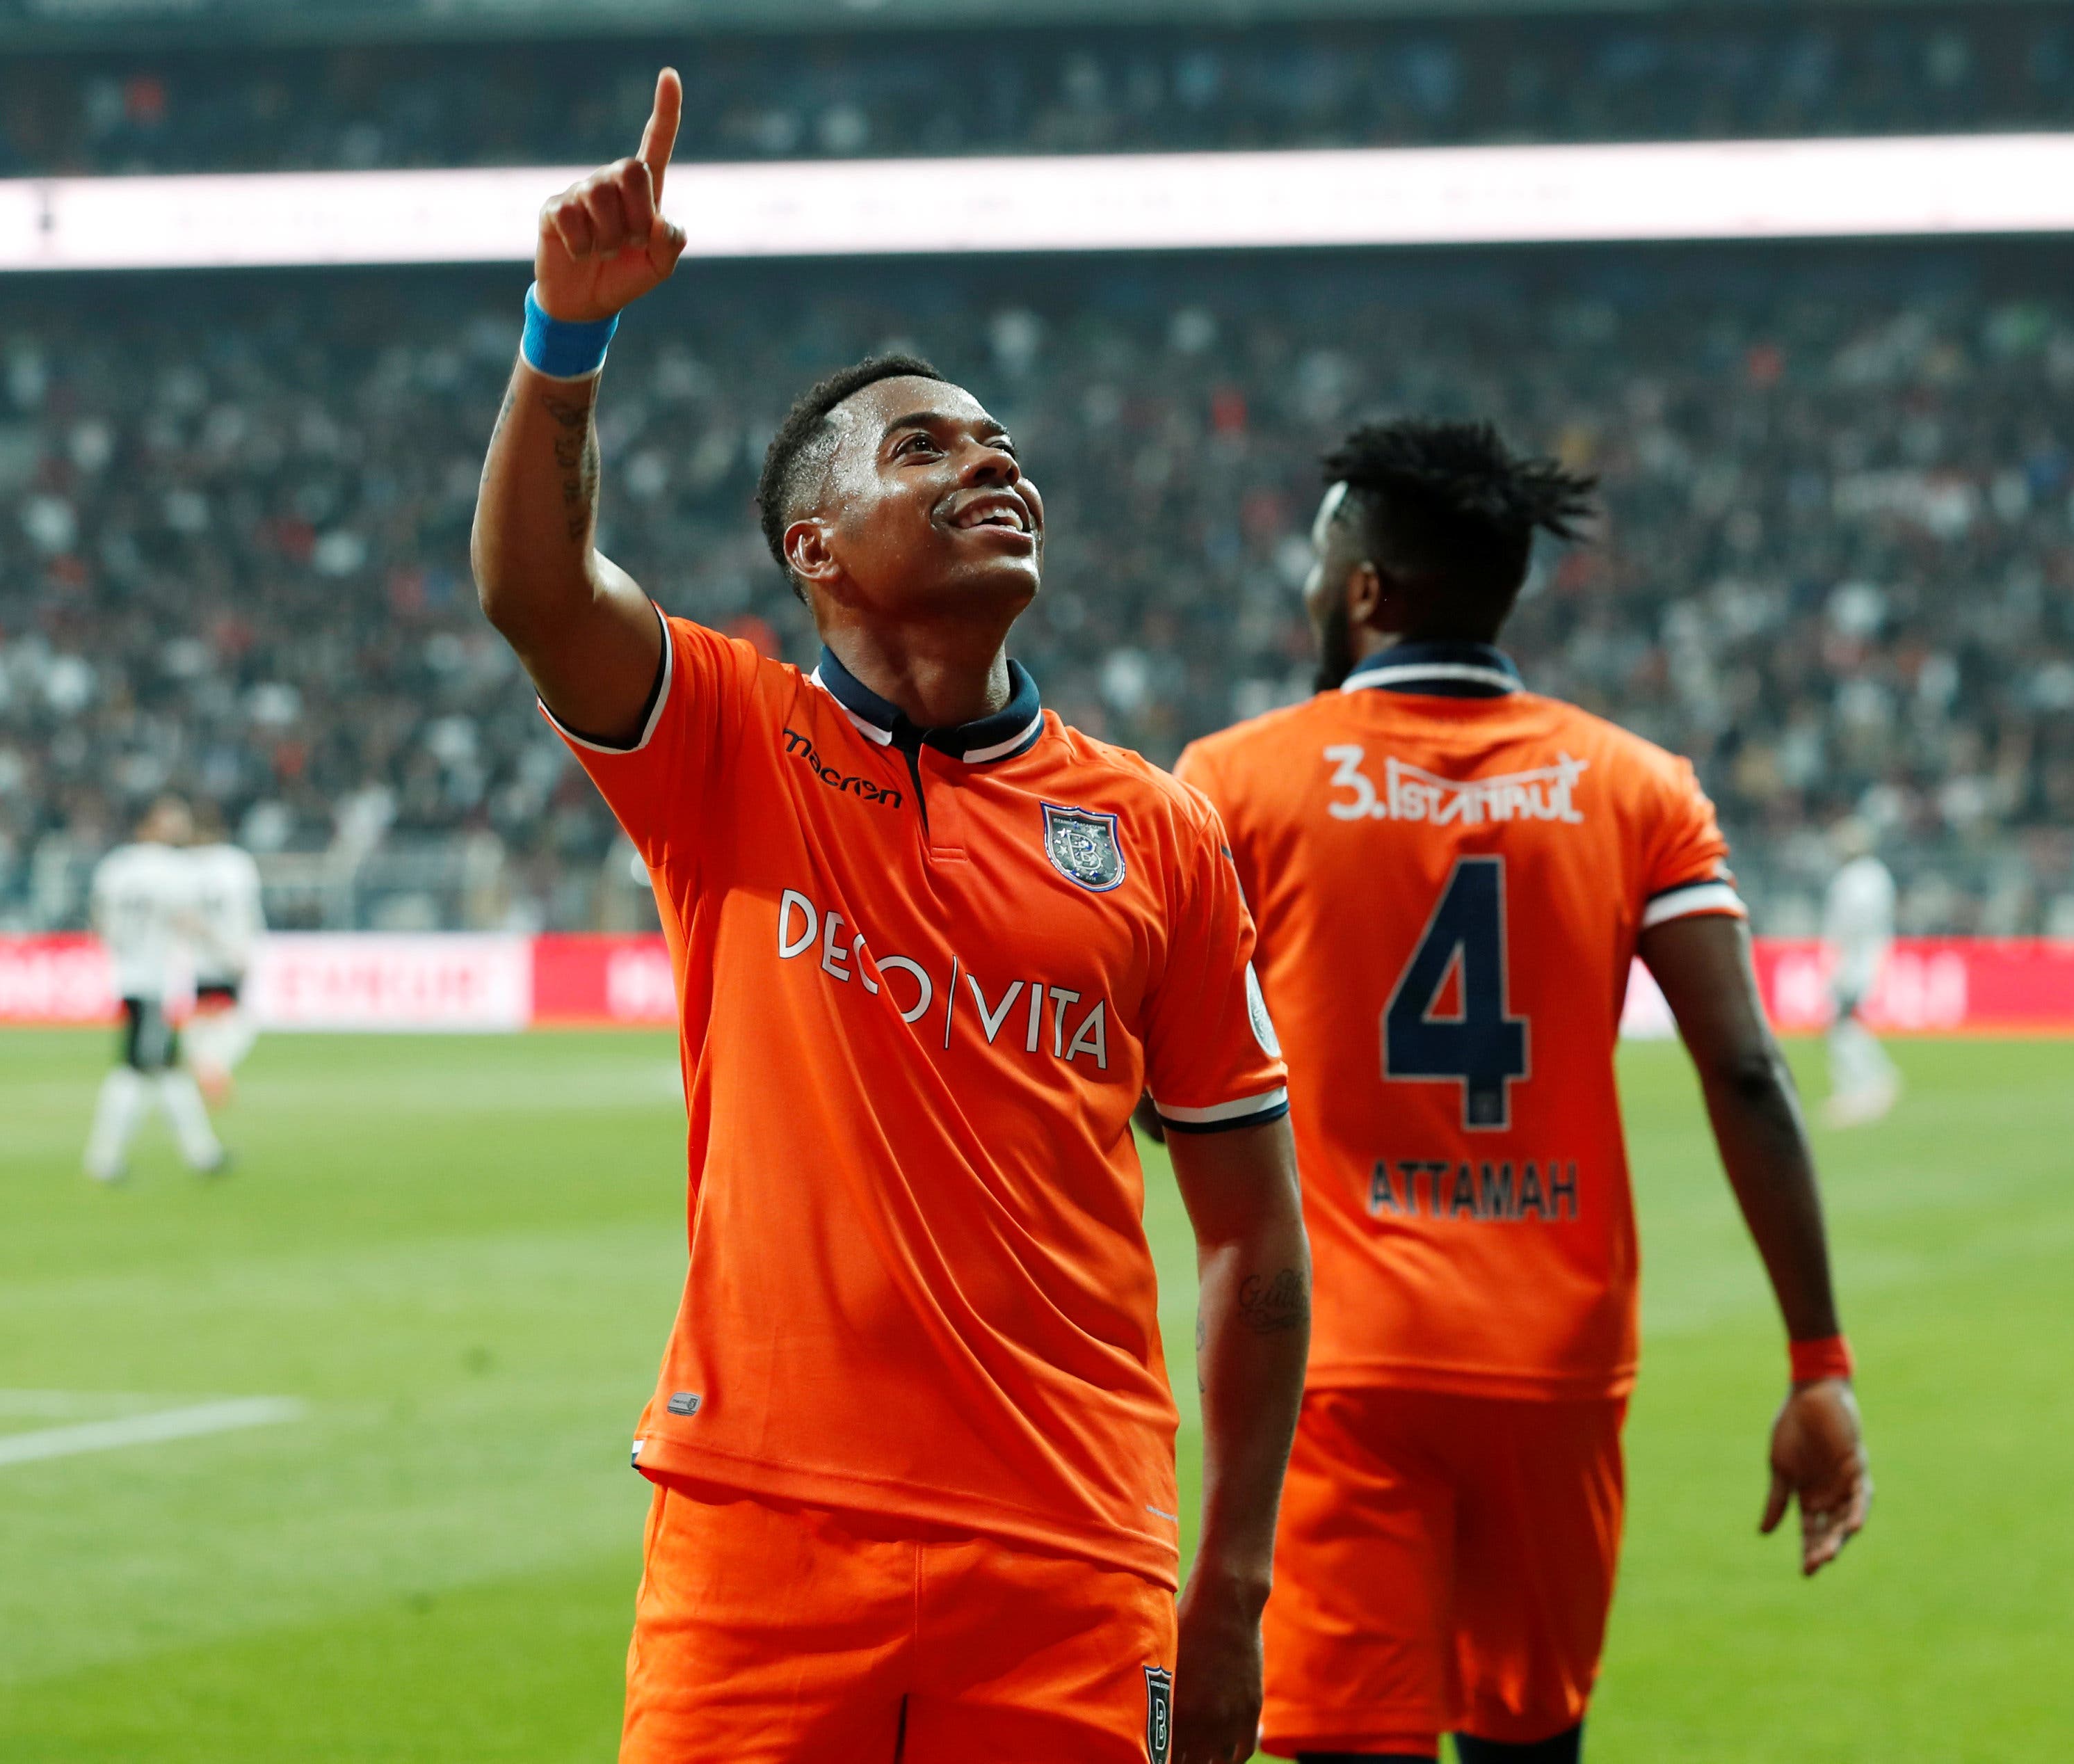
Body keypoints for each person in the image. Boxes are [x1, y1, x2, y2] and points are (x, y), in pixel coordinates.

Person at [470, 70, 1309, 1764]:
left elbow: (1256, 1237)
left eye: (1003, 449)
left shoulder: (1155, 829)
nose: (992, 465)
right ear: (817, 548)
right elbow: (537, 590)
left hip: (1077, 1558)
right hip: (759, 1541)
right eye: (925, 446)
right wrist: (567, 337)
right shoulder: (731, 741)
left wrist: (1232, 1593)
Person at [1173, 422, 1871, 1764]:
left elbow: (1172, 1077)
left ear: (1366, 588)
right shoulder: (1640, 787)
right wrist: (1818, 1365)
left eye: (1324, 563)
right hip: (1556, 1361)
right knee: (1533, 1745)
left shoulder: (1232, 781)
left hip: (1339, 1361)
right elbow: (1744, 1066)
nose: (1313, 590)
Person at [83, 796, 228, 1182]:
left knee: (167, 1070)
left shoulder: (115, 867)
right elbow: (185, 918)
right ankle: (103, 1158)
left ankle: (203, 1153)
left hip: (126, 975)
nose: (179, 827)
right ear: (151, 826)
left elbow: (98, 921)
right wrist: (224, 949)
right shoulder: (174, 870)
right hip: (151, 980)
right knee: (136, 1069)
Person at [182, 808, 266, 1108]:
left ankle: (203, 1065)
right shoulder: (237, 863)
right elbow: (250, 910)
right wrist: (247, 947)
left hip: (198, 958)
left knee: (205, 1018)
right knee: (239, 1019)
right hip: (231, 954)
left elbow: (182, 916)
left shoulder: (184, 866)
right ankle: (209, 1067)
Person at [1821, 817, 1902, 1127]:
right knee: (1847, 1024)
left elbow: (1847, 925)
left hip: (1855, 960)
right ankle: (1874, 1080)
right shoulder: (1877, 875)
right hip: (1870, 956)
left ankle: (1859, 1088)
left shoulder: (1852, 879)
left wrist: (1838, 962)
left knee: (1842, 1024)